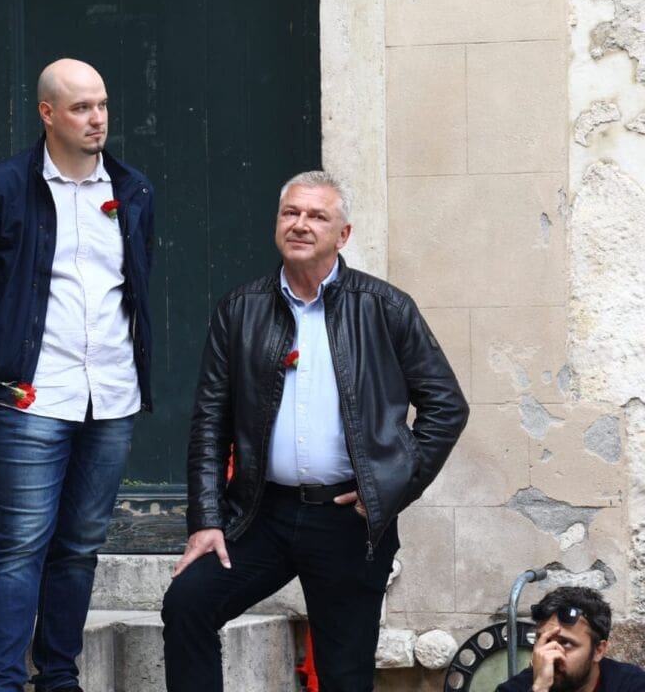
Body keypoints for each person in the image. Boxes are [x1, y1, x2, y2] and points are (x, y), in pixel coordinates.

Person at [161, 170, 469, 691]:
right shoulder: (240, 308)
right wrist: (206, 520)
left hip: (348, 520)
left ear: (342, 234)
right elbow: (210, 421)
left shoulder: (385, 307)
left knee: (345, 675)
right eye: (291, 213)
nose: (300, 224)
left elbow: (447, 407)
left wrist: (391, 490)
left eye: (316, 216)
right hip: (260, 513)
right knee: (189, 603)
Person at [0, 58, 155, 692]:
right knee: (21, 544)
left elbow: (135, 287)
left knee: (82, 544)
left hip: (112, 394)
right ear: (47, 113)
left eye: (102, 105)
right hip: (31, 395)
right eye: (81, 108)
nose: (97, 119)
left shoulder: (133, 189)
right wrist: (1, 368)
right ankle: (2, 680)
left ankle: (59, 675)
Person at [497, 586, 645, 692]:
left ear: (598, 651)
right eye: (544, 641)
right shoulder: (518, 687)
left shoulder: (631, 684)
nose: (550, 656)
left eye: (566, 643)